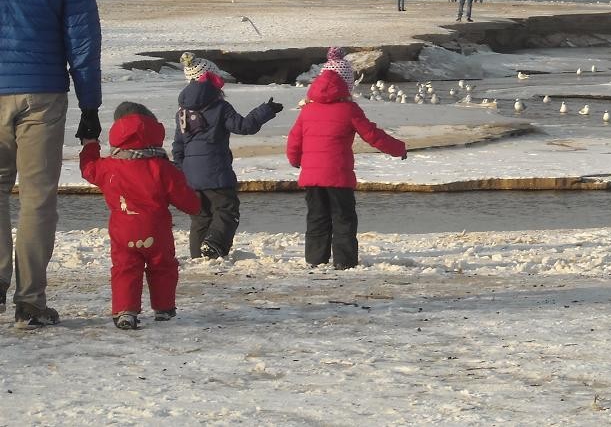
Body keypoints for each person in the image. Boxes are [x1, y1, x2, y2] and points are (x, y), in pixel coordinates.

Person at [0, 0, 102, 329]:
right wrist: (91, 106)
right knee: (37, 199)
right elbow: (82, 41)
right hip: (42, 94)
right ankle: (30, 301)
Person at [79, 102, 200, 330]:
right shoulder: (162, 168)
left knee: (125, 268)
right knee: (163, 266)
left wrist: (90, 145)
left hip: (123, 231)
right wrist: (198, 207)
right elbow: (186, 199)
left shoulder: (109, 167)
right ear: (155, 131)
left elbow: (88, 168)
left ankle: (126, 312)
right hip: (157, 231)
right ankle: (164, 308)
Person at [286, 48, 406, 269]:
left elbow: (294, 140)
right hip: (338, 176)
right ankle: (344, 261)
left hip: (312, 177)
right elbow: (373, 135)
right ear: (347, 84)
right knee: (343, 219)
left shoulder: (307, 111)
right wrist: (398, 149)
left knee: (317, 218)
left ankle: (315, 259)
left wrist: (295, 161)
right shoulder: (349, 110)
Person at [172, 54, 283, 259]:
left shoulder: (182, 111)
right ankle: (213, 245)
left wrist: (182, 170)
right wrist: (265, 110)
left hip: (191, 177)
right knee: (227, 210)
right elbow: (244, 126)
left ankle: (198, 256)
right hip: (216, 172)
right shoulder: (220, 107)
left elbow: (178, 145)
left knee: (200, 217)